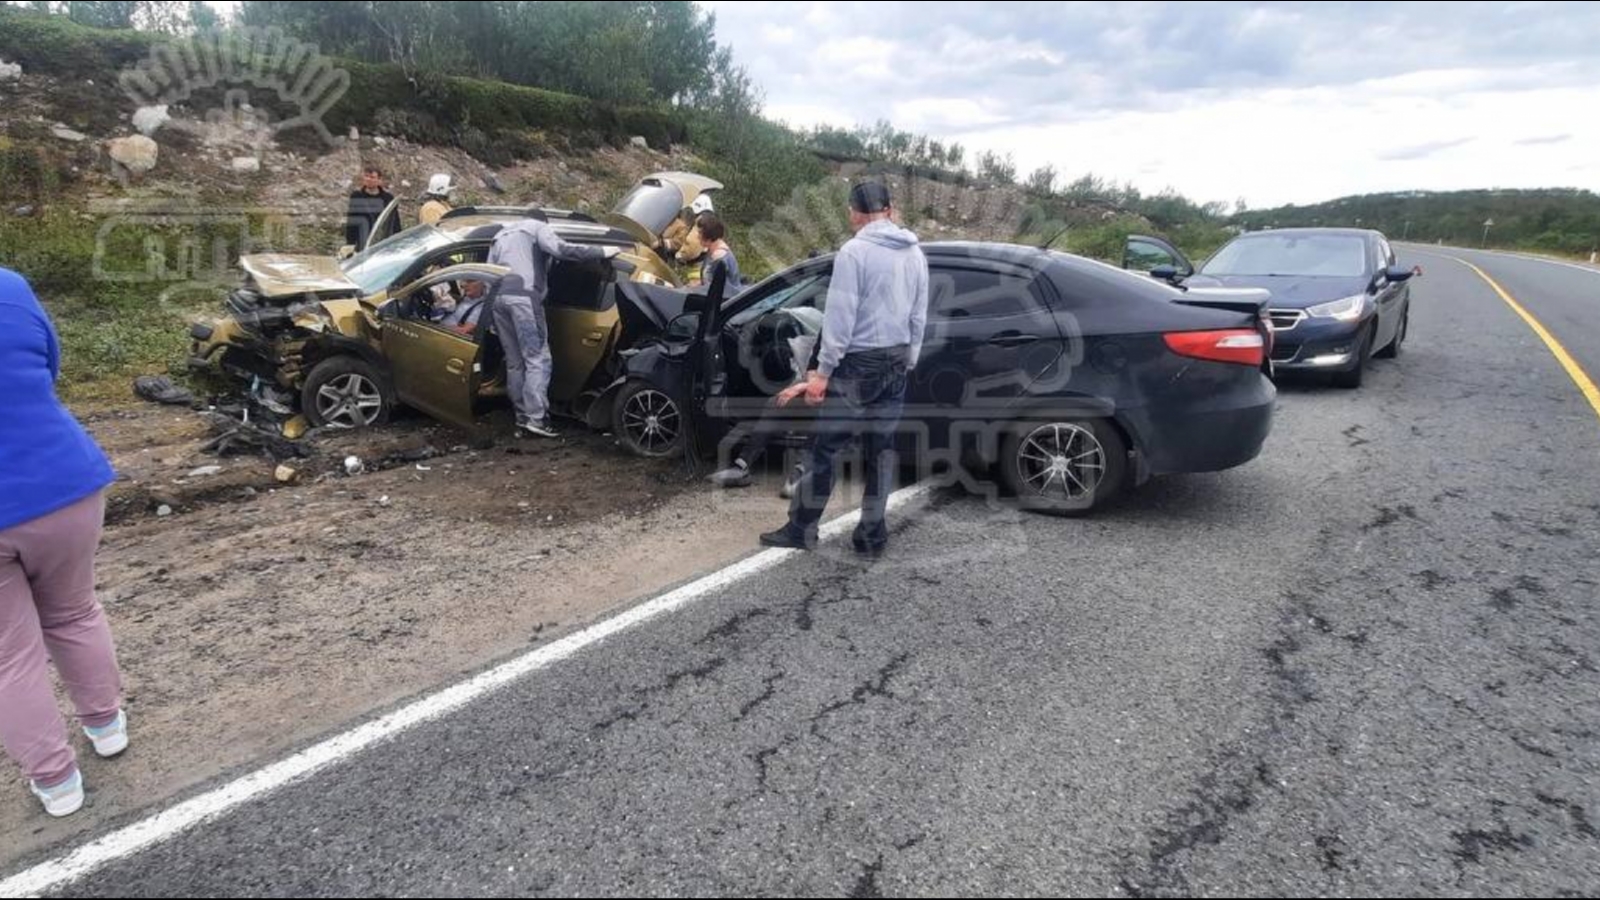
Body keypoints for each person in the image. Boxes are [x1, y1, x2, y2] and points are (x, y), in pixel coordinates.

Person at [0, 268, 128, 819]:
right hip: (64, 482)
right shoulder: (8, 286)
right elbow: (49, 364)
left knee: (9, 656)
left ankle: (57, 784)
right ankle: (107, 728)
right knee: (75, 612)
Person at [760, 182, 929, 558]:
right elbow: (919, 312)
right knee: (882, 451)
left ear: (855, 211)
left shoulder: (855, 252)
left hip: (857, 364)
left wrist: (822, 371)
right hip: (897, 360)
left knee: (827, 451)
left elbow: (840, 317)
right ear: (889, 209)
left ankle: (801, 528)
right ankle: (871, 536)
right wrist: (911, 356)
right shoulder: (914, 252)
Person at [488, 217, 621, 439]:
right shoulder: (537, 228)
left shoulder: (500, 235)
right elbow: (561, 249)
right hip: (524, 299)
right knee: (537, 359)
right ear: (544, 221)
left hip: (498, 299)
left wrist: (489, 314)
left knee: (514, 361)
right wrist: (602, 251)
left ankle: (521, 417)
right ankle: (536, 419)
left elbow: (488, 274)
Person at [344, 165, 399, 251]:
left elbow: (395, 222)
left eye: (372, 177)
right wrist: (350, 243)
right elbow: (352, 220)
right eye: (366, 176)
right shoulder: (357, 196)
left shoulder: (388, 198)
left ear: (379, 180)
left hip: (382, 242)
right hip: (362, 242)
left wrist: (396, 241)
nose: (369, 179)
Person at [659, 194, 715, 266]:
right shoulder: (709, 223)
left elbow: (692, 245)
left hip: (697, 263)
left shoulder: (702, 223)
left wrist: (680, 255)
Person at [694, 213, 743, 294]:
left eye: (700, 233)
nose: (698, 236)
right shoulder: (713, 250)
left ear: (709, 237)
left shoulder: (719, 258)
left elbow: (721, 291)